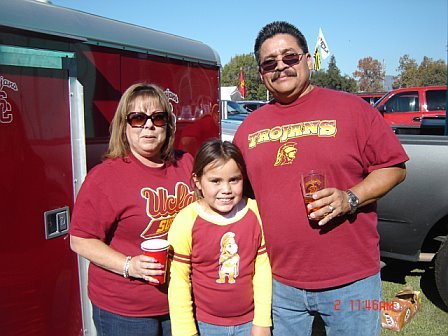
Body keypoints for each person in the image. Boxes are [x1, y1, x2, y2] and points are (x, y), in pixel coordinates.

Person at [233, 21, 409, 336]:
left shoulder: (352, 109)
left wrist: (350, 198)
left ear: (307, 60)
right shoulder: (248, 129)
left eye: (290, 58)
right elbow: (237, 195)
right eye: (270, 63)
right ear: (261, 73)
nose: (281, 68)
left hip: (352, 280)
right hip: (281, 282)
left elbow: (394, 167)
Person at [70, 83, 196, 336]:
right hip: (125, 311)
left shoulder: (186, 163)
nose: (149, 125)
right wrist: (129, 265)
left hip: (180, 301)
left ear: (168, 125)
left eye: (157, 118)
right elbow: (80, 240)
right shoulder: (105, 177)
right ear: (124, 126)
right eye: (138, 118)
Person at [167, 139, 272, 336]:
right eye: (215, 181)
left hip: (250, 323)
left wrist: (262, 322)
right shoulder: (186, 221)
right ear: (197, 181)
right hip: (205, 324)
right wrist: (185, 331)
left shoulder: (256, 214)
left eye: (234, 179)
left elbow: (263, 270)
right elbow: (179, 280)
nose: (226, 189)